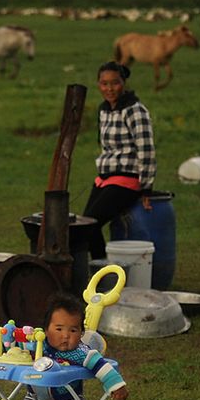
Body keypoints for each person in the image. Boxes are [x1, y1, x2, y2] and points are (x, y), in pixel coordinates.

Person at [82, 61, 157, 261]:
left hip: (127, 178)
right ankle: (99, 271)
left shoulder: (135, 110)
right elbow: (105, 147)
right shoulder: (104, 110)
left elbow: (146, 149)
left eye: (114, 83)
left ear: (124, 83)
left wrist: (147, 187)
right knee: (83, 226)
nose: (109, 89)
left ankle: (105, 275)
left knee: (90, 224)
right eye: (104, 84)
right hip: (105, 178)